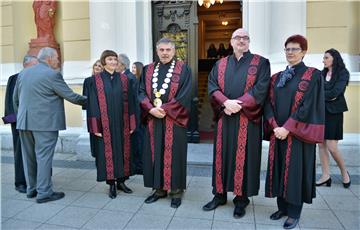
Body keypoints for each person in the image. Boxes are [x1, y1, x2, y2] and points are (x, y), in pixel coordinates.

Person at [203, 28, 270, 218]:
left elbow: (262, 88)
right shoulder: (220, 64)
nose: (241, 40)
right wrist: (225, 102)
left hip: (247, 121)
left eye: (245, 38)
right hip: (225, 118)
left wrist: (238, 104)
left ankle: (241, 200)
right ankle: (219, 195)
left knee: (244, 158)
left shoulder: (261, 63)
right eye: (237, 38)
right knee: (222, 156)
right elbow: (212, 86)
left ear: (249, 42)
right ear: (231, 41)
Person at [263, 35, 325, 229]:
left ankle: (294, 212)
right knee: (278, 170)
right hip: (278, 133)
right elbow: (267, 103)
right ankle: (282, 207)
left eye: (295, 49)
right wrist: (275, 126)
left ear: (304, 51)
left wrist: (288, 128)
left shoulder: (313, 75)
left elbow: (308, 106)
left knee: (295, 173)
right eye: (288, 49)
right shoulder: (277, 77)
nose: (290, 52)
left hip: (298, 135)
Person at [13, 47, 86, 203]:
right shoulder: (52, 75)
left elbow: (15, 100)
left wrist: (22, 116)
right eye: (57, 58)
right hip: (45, 124)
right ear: (49, 58)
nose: (58, 61)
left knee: (29, 158)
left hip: (24, 122)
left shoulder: (23, 73)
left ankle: (31, 189)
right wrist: (93, 100)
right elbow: (71, 96)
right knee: (43, 158)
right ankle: (44, 192)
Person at [139, 38, 192, 208]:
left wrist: (165, 109)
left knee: (174, 155)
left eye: (168, 49)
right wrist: (150, 109)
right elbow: (140, 92)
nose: (165, 53)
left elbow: (185, 93)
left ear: (174, 50)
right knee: (155, 153)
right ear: (156, 51)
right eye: (161, 50)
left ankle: (176, 191)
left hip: (174, 121)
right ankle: (159, 189)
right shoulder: (148, 70)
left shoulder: (183, 70)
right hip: (153, 120)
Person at [83, 50, 137, 199]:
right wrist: (95, 127)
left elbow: (131, 102)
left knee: (122, 151)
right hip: (105, 125)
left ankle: (121, 181)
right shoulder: (95, 80)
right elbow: (92, 104)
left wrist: (132, 123)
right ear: (104, 61)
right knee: (108, 154)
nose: (113, 62)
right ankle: (111, 184)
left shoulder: (125, 79)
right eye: (110, 59)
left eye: (115, 59)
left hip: (122, 123)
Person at [2, 55, 38, 194]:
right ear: (26, 64)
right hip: (19, 122)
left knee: (39, 152)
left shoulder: (40, 78)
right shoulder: (15, 78)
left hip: (38, 122)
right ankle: (20, 182)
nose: (37, 67)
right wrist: (12, 120)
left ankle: (39, 180)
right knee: (20, 152)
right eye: (35, 64)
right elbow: (10, 101)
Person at [316, 48, 351, 188]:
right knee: (321, 144)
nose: (323, 60)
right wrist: (326, 93)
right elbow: (317, 90)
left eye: (326, 58)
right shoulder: (321, 73)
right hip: (321, 112)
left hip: (335, 113)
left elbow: (335, 93)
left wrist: (323, 93)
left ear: (334, 59)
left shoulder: (343, 73)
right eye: (323, 58)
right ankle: (325, 176)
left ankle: (344, 172)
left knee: (332, 146)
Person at [118, 54, 143, 175]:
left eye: (116, 62)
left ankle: (138, 167)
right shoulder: (124, 76)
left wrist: (133, 120)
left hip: (132, 117)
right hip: (127, 117)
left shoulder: (129, 78)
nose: (113, 65)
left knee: (135, 143)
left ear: (122, 64)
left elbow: (134, 100)